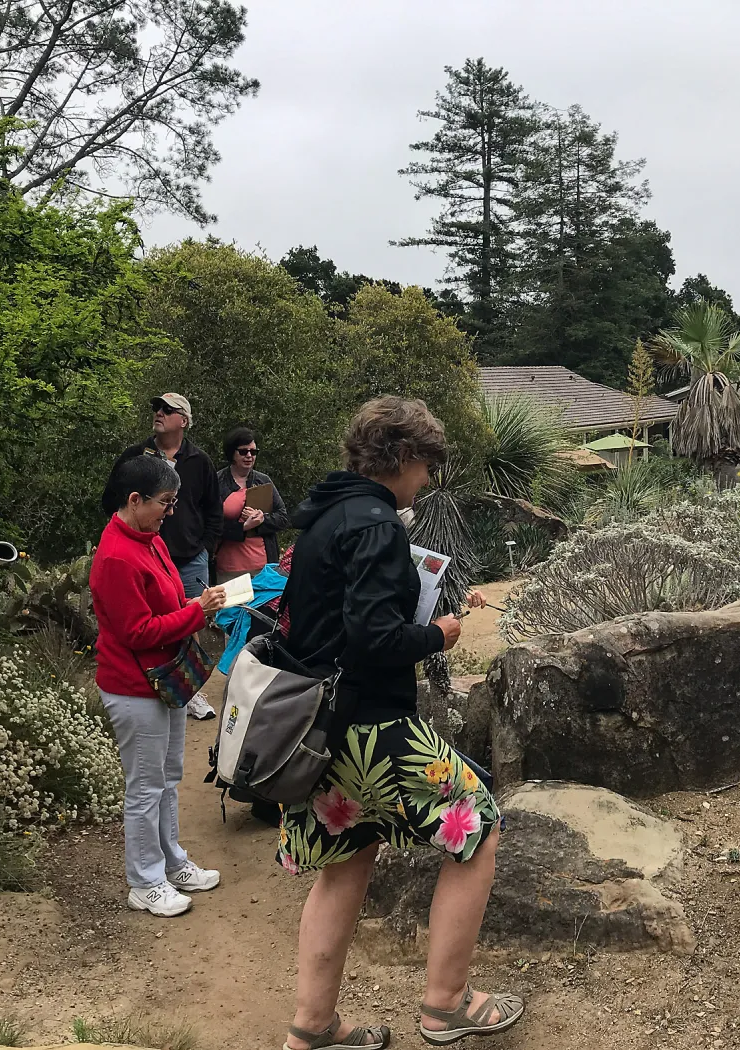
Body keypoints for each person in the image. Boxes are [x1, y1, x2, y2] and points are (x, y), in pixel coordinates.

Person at [276, 398, 522, 1050]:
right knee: (478, 827)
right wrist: (436, 635)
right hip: (371, 727)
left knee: (346, 862)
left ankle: (313, 1028)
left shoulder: (324, 519)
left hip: (322, 732)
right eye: (426, 468)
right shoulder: (378, 525)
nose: (427, 481)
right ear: (406, 458)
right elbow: (373, 640)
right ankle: (446, 1004)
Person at [90, 455, 228, 916]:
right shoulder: (116, 556)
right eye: (164, 504)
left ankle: (172, 861)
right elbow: (137, 632)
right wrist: (196, 612)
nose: (170, 513)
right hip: (133, 687)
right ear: (135, 500)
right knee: (145, 786)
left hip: (165, 681)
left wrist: (195, 603)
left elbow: (165, 599)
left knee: (168, 777)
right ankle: (144, 881)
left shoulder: (148, 540)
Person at [108, 392, 222, 720]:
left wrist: (205, 545)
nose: (158, 413)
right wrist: (129, 532)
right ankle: (160, 683)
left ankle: (189, 688)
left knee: (190, 617)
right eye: (156, 408)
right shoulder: (135, 457)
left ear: (183, 420)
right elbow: (110, 499)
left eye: (167, 410)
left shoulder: (199, 461)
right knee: (163, 618)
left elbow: (213, 508)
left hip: (187, 555)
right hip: (143, 551)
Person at [215, 426, 289, 583]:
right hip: (229, 569)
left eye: (253, 452)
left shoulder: (263, 480)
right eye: (243, 451)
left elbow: (283, 517)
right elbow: (210, 524)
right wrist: (242, 527)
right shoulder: (217, 482)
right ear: (232, 453)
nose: (249, 456)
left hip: (265, 567)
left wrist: (262, 520)